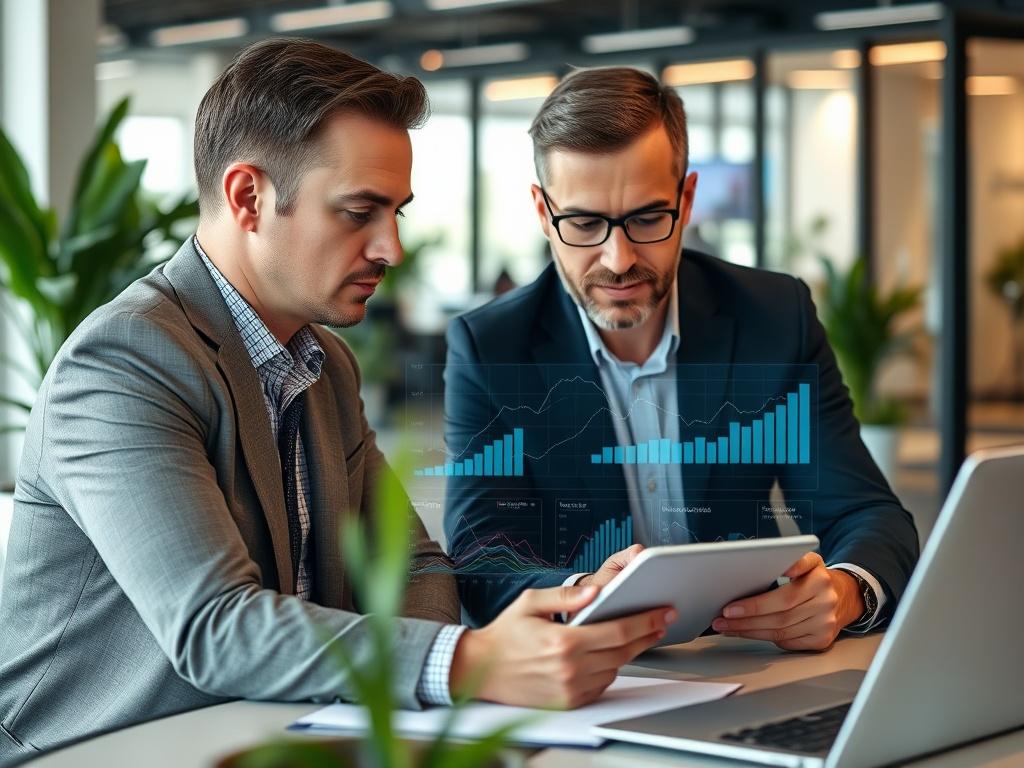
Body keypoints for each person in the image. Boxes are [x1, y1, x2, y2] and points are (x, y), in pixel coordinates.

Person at [0, 42, 672, 762]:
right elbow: (213, 626)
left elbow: (417, 567)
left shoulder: (326, 366)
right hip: (95, 750)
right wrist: (468, 662)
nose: (391, 247)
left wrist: (466, 653)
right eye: (359, 212)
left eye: (396, 213)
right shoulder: (126, 362)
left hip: (273, 735)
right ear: (247, 197)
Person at [444, 67, 919, 650]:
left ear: (686, 200)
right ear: (544, 213)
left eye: (647, 218)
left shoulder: (773, 316)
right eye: (585, 223)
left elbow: (868, 513)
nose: (617, 260)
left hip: (744, 660)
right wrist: (585, 593)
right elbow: (482, 555)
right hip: (585, 675)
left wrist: (843, 592)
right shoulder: (491, 347)